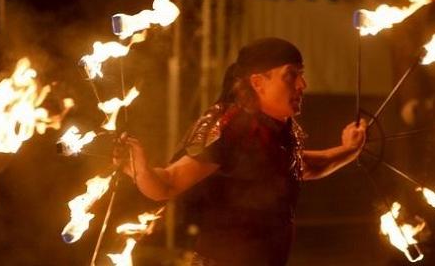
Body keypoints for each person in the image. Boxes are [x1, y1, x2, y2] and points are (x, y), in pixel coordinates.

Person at [114, 37, 367, 266]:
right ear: (258, 83)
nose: (303, 84)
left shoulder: (281, 129)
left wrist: (349, 150)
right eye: (291, 75)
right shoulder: (229, 126)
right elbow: (167, 184)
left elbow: (303, 166)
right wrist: (139, 169)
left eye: (301, 74)